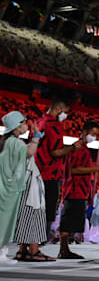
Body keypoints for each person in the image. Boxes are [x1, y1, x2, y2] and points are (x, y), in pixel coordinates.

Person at [58, 121, 99, 259]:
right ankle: (63, 249)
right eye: (94, 134)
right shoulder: (77, 148)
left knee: (72, 221)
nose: (95, 137)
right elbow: (73, 169)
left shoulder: (83, 148)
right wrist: (95, 168)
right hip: (74, 188)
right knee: (68, 220)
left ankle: (65, 248)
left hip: (81, 189)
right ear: (85, 132)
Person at [1, 111, 43, 264]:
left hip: (6, 186)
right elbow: (30, 152)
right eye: (24, 122)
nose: (26, 125)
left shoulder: (7, 142)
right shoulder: (15, 142)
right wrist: (36, 136)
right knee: (5, 221)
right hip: (10, 188)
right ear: (17, 126)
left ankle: (2, 253)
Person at [35, 100, 80, 242]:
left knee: (35, 208)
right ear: (59, 108)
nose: (66, 115)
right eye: (66, 111)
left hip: (36, 170)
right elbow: (55, 152)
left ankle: (29, 243)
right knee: (47, 210)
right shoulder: (54, 125)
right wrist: (72, 148)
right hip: (49, 172)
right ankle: (38, 243)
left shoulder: (39, 121)